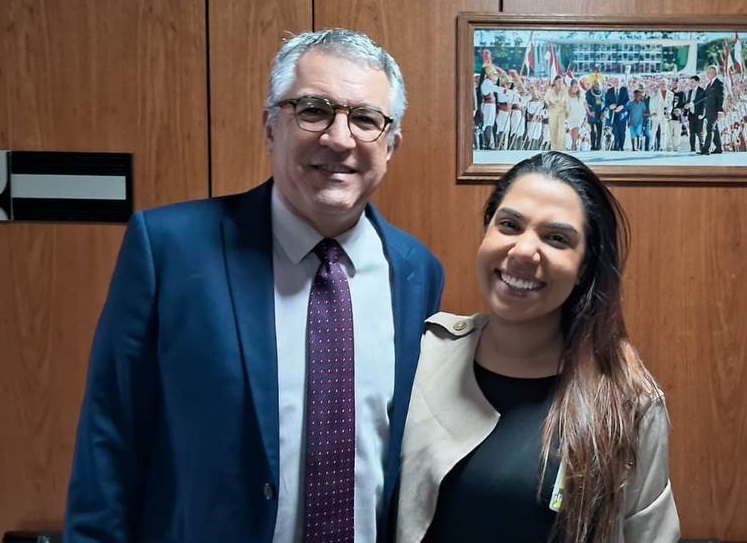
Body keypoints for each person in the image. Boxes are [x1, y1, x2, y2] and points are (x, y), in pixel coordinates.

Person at [64, 28, 445, 543]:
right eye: (313, 110)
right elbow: (109, 442)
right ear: (270, 127)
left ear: (391, 144)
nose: (339, 138)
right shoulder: (170, 251)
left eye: (365, 119)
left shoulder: (417, 270)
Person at [396, 151, 680, 543]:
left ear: (584, 268)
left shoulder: (629, 402)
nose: (524, 252)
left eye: (557, 238)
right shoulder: (422, 353)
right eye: (509, 225)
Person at [700, 65, 725, 155]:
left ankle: (705, 149)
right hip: (709, 111)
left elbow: (721, 98)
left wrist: (720, 110)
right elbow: (704, 96)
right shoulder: (709, 84)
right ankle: (718, 148)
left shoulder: (719, 83)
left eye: (708, 72)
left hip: (715, 111)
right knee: (715, 130)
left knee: (709, 129)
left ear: (714, 73)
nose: (707, 74)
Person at [544, 76, 569, 151]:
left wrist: (567, 111)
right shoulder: (550, 89)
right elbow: (546, 99)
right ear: (555, 82)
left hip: (561, 112)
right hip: (553, 112)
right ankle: (554, 148)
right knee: (553, 130)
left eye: (561, 82)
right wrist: (549, 104)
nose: (560, 83)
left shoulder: (564, 90)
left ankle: (561, 149)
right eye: (558, 81)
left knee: (561, 131)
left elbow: (567, 101)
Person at [605, 77, 629, 150]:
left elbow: (627, 101)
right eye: (615, 81)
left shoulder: (624, 90)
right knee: (615, 131)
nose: (617, 83)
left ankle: (621, 146)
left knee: (622, 131)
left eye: (618, 82)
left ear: (621, 83)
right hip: (613, 115)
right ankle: (616, 145)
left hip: (622, 115)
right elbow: (606, 102)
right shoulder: (609, 91)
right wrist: (610, 106)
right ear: (613, 83)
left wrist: (622, 106)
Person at [683, 74, 705, 152]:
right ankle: (692, 148)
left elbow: (703, 103)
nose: (691, 84)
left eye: (692, 82)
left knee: (699, 132)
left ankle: (702, 148)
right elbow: (687, 103)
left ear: (697, 82)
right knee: (691, 133)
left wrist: (702, 114)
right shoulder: (689, 92)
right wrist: (685, 114)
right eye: (690, 82)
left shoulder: (702, 91)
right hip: (691, 115)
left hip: (699, 114)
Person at [584, 79, 605, 151]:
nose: (596, 85)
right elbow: (587, 103)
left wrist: (603, 112)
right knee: (592, 131)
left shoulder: (602, 92)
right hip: (591, 115)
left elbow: (605, 103)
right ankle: (593, 145)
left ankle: (598, 146)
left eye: (598, 84)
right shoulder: (589, 93)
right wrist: (590, 112)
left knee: (600, 131)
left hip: (600, 114)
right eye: (595, 84)